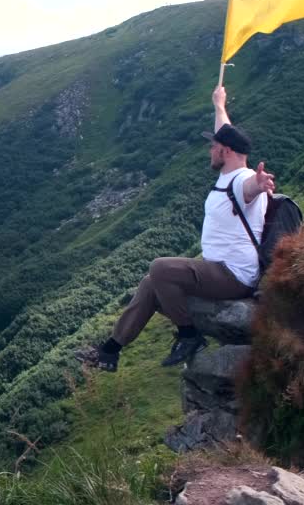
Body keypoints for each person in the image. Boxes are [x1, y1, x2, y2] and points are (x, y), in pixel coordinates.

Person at [76, 85, 275, 372]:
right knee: (150, 282)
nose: (210, 149)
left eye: (213, 146)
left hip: (234, 275)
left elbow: (250, 187)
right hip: (219, 268)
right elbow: (225, 131)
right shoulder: (229, 170)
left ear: (225, 151)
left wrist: (261, 184)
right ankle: (109, 350)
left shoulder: (242, 180)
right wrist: (219, 105)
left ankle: (188, 334)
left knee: (160, 268)